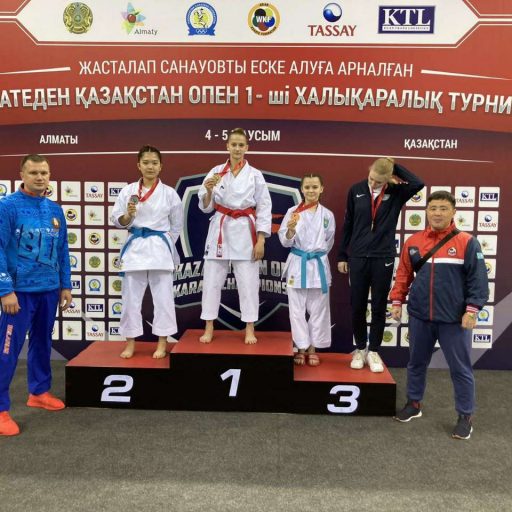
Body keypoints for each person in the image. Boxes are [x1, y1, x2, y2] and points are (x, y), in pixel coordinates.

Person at [390, 191, 488, 440]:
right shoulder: (413, 242)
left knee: (460, 369)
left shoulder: (467, 242)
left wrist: (472, 310)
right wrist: (397, 300)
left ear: (454, 212)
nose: (437, 213)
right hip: (420, 316)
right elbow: (403, 274)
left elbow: (478, 280)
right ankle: (414, 403)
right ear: (426, 211)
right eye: (433, 208)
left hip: (453, 320)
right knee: (416, 363)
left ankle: (465, 416)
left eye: (443, 208)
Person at [0, 154, 72, 437]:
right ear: (22, 174)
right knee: (7, 351)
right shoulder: (7, 207)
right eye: (33, 173)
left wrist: (65, 285)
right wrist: (6, 290)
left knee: (42, 342)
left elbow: (62, 250)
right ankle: (0, 408)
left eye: (44, 172)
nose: (40, 177)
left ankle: (39, 392)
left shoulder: (55, 209)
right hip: (19, 293)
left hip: (49, 290)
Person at [337, 158, 424, 372]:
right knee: (357, 305)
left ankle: (374, 351)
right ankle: (360, 349)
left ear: (389, 179)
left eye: (378, 181)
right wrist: (342, 255)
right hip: (358, 256)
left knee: (378, 306)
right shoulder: (356, 190)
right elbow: (348, 223)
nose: (373, 183)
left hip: (383, 257)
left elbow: (418, 183)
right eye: (371, 178)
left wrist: (394, 166)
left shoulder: (397, 192)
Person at [198, 128, 272, 344]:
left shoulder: (255, 175)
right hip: (220, 228)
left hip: (245, 231)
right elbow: (205, 206)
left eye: (241, 145)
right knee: (211, 281)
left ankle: (249, 327)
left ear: (247, 148)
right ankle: (209, 326)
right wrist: (208, 191)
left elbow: (264, 207)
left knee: (248, 282)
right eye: (234, 144)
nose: (237, 148)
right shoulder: (216, 172)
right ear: (227, 146)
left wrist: (261, 240)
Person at [111, 145, 183, 359]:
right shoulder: (128, 191)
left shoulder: (169, 194)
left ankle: (162, 342)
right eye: (146, 163)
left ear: (161, 166)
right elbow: (117, 220)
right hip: (135, 249)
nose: (150, 166)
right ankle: (130, 343)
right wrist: (128, 216)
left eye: (154, 163)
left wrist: (164, 242)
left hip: (160, 249)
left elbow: (176, 226)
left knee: (163, 299)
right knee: (130, 300)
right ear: (138, 165)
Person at [278, 174, 335, 366]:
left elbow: (329, 241)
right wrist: (290, 230)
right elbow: (284, 241)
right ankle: (300, 348)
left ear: (322, 189)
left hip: (318, 264)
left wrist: (316, 254)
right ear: (302, 189)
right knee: (297, 310)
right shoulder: (292, 212)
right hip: (298, 263)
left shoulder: (327, 215)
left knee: (319, 310)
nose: (311, 190)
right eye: (307, 187)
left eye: (315, 187)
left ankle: (313, 349)